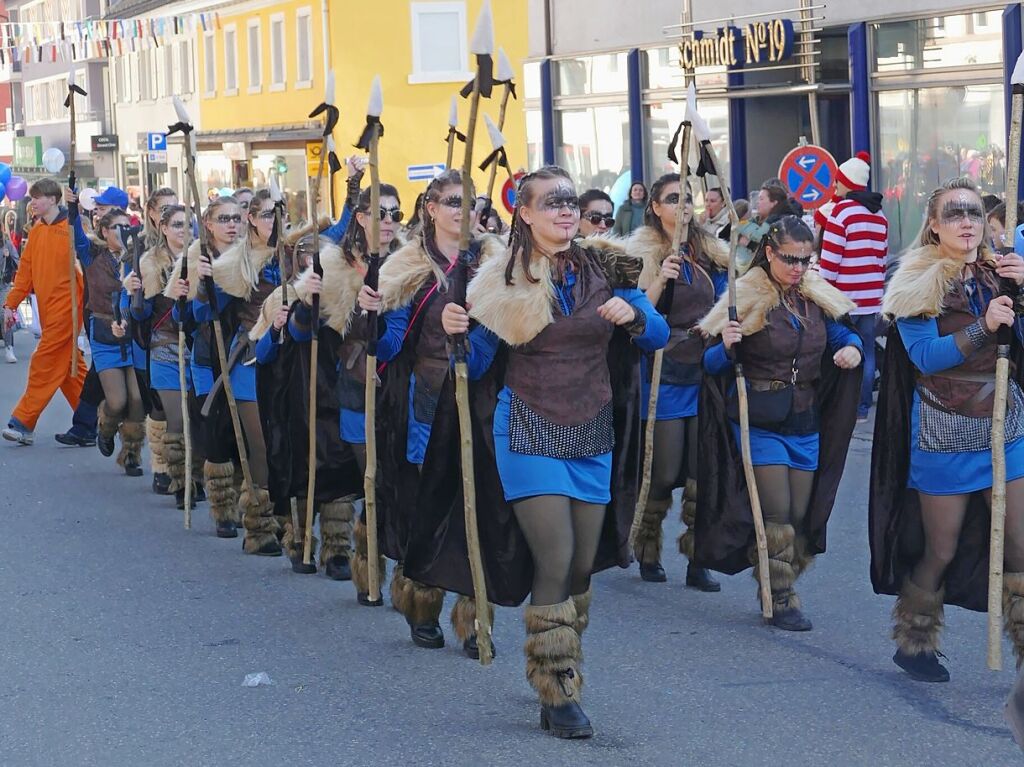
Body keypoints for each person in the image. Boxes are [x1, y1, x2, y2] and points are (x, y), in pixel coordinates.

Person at [415, 165, 668, 738]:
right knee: (555, 558)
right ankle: (557, 687)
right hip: (527, 425)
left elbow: (655, 335)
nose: (565, 211)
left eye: (570, 202)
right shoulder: (500, 277)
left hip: (593, 427)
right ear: (523, 213)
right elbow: (478, 365)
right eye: (550, 203)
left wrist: (635, 315)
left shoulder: (606, 265)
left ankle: (561, 658)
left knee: (582, 562)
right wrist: (457, 328)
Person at [870, 177, 1024, 683]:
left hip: (1005, 419)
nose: (966, 222)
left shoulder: (1003, 269)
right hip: (945, 425)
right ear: (933, 225)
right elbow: (923, 356)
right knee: (942, 548)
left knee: (1021, 543)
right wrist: (983, 326)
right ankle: (914, 637)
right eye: (954, 214)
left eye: (974, 214)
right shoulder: (916, 277)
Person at [357, 169, 504, 653]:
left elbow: (513, 328)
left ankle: (475, 613)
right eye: (452, 201)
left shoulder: (496, 261)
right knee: (431, 503)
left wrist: (476, 334)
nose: (462, 210)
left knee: (479, 507)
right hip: (426, 398)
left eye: (470, 201)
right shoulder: (408, 267)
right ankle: (422, 602)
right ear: (432, 209)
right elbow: (391, 341)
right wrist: (372, 315)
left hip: (483, 398)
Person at [696, 214, 863, 631]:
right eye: (790, 258)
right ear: (768, 253)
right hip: (758, 415)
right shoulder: (745, 294)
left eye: (806, 260)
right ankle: (781, 597)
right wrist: (728, 346)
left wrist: (855, 348)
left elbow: (843, 335)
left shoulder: (814, 295)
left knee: (801, 515)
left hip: (805, 416)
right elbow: (710, 360)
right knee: (778, 512)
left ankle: (776, 575)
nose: (799, 268)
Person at [629, 173, 729, 591]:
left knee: (700, 470)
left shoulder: (710, 250)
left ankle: (697, 556)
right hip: (663, 370)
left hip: (703, 365)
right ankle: (647, 545)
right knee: (664, 467)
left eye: (687, 197)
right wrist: (661, 279)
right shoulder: (640, 251)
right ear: (655, 207)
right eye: (673, 198)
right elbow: (635, 311)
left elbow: (729, 298)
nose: (683, 205)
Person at [195, 190, 280, 554]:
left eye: (276, 215)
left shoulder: (295, 254)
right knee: (254, 444)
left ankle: (294, 527)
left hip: (289, 359)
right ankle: (258, 528)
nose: (271, 223)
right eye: (262, 215)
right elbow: (200, 316)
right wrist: (203, 285)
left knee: (285, 443)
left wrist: (352, 184)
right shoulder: (239, 261)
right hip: (244, 357)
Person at [168, 195, 245, 538]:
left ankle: (250, 504)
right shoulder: (193, 260)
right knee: (215, 433)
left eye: (237, 218)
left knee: (245, 431)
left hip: (244, 356)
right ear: (209, 225)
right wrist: (198, 289)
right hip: (207, 359)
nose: (232, 224)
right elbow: (184, 317)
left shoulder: (252, 257)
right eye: (224, 219)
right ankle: (223, 508)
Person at [2, 179, 88, 445]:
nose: (33, 202)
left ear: (52, 199)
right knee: (69, 371)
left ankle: (23, 422)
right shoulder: (37, 231)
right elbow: (25, 272)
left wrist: (76, 214)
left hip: (69, 308)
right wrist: (10, 304)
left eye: (37, 197)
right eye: (32, 197)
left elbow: (87, 258)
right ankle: (95, 419)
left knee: (43, 362)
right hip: (47, 310)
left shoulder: (72, 227)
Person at [125, 204, 196, 509]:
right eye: (177, 224)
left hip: (200, 349)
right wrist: (133, 292)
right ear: (164, 228)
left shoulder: (204, 257)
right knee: (177, 418)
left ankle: (197, 475)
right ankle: (180, 481)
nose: (184, 230)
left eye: (188, 224)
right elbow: (139, 312)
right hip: (164, 346)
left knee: (197, 419)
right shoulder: (149, 262)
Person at [818, 152, 889, 423]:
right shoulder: (879, 215)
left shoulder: (842, 211)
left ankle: (843, 404)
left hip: (842, 298)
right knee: (867, 351)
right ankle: (861, 408)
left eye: (838, 183)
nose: (835, 188)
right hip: (871, 298)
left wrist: (824, 292)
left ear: (846, 182)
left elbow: (830, 259)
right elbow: (883, 257)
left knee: (843, 350)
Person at [78, 208, 147, 476]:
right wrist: (72, 207)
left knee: (137, 398)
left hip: (133, 331)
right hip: (105, 331)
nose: (122, 231)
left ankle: (131, 453)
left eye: (126, 225)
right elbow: (76, 234)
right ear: (104, 231)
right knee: (117, 401)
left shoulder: (136, 256)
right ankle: (105, 428)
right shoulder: (92, 255)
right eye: (115, 227)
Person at [0, 209, 19, 363]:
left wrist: (8, 256)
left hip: (3, 284)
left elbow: (18, 261)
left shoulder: (6, 242)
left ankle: (9, 348)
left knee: (4, 314)